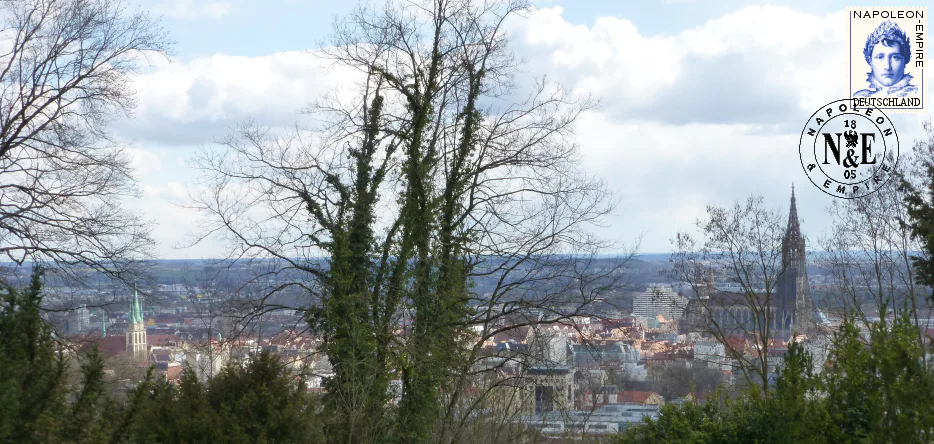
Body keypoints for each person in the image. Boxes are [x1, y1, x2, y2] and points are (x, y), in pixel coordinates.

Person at [853, 20, 917, 98]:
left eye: (895, 57)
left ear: (905, 60)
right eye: (880, 57)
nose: (887, 67)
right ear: (870, 61)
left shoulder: (917, 94)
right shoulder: (859, 98)